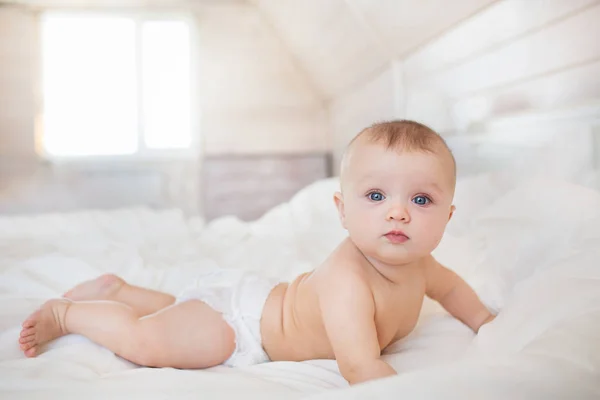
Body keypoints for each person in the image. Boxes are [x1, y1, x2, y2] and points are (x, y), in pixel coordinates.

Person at [18, 120, 495, 385]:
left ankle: (120, 290)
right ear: (342, 211)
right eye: (376, 196)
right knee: (152, 343)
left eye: (420, 200)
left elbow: (452, 289)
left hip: (258, 300)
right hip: (242, 326)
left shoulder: (423, 266)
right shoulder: (349, 279)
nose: (398, 214)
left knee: (182, 313)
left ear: (447, 217)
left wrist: (488, 324)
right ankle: (69, 314)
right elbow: (360, 366)